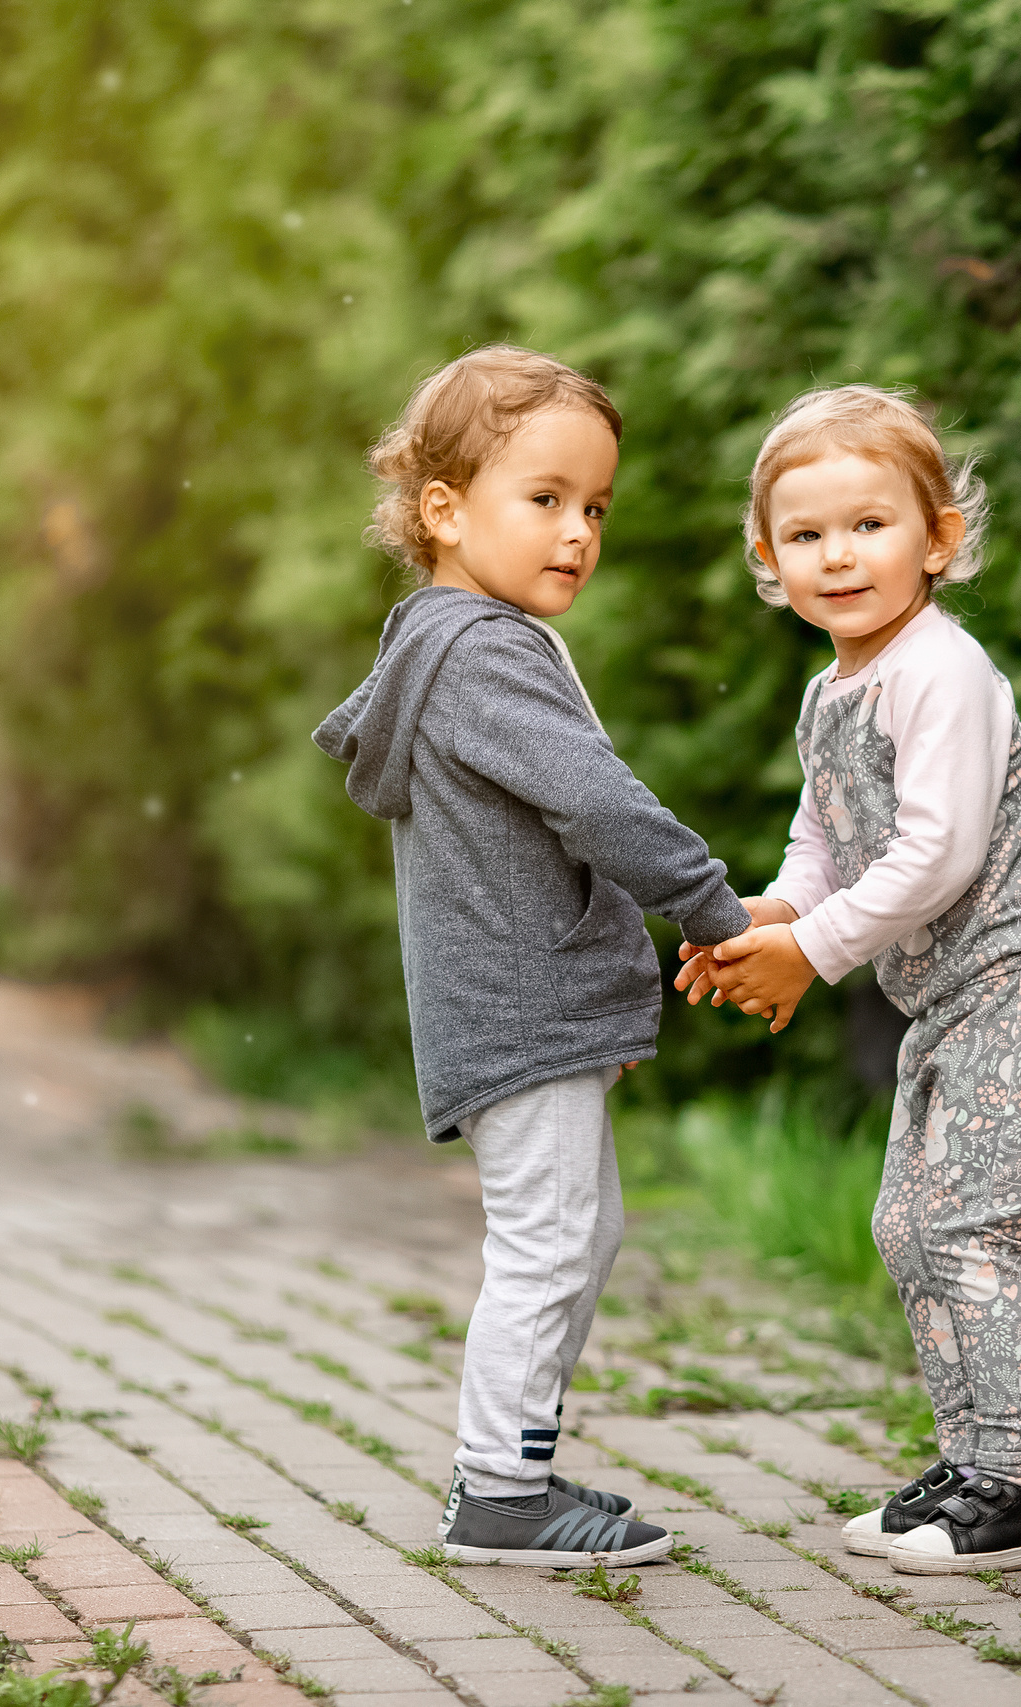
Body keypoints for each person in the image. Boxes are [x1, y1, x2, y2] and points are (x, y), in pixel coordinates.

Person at [314, 346, 752, 1567]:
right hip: (521, 1007)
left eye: (595, 508)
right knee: (549, 1242)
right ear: (445, 510)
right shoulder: (482, 652)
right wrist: (711, 906)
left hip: (516, 1003)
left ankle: (512, 1464)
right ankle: (501, 1495)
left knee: (579, 1234)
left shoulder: (454, 641)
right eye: (545, 498)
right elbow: (596, 803)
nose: (577, 532)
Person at [676, 385, 1021, 1574]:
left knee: (967, 1223)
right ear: (769, 559)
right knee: (907, 1225)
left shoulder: (941, 671)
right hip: (956, 1000)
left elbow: (939, 854)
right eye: (806, 534)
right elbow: (820, 844)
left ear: (937, 539)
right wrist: (768, 920)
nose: (837, 555)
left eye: (868, 525)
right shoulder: (832, 691)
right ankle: (973, 1466)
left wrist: (814, 954)